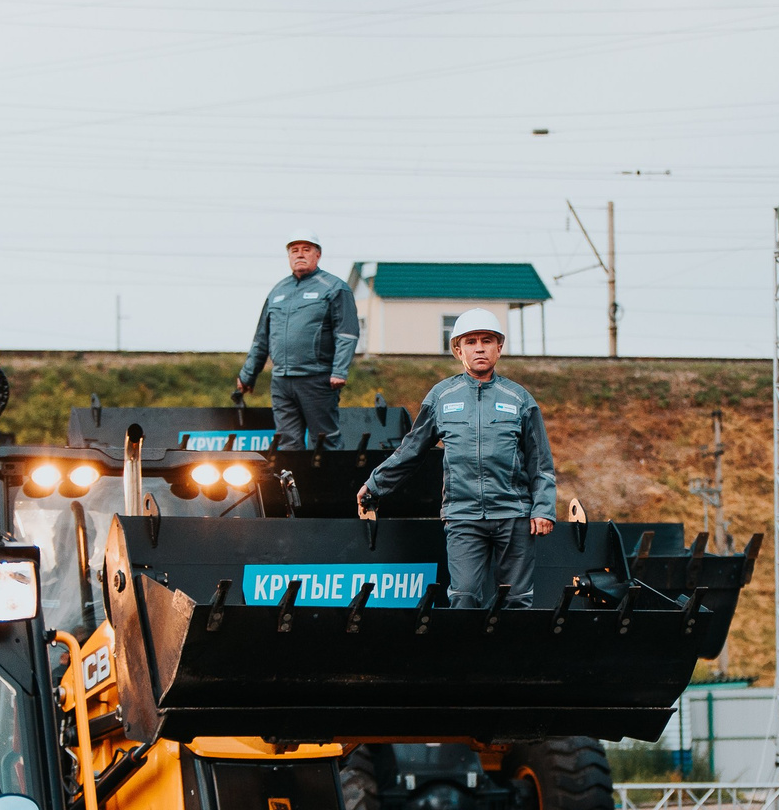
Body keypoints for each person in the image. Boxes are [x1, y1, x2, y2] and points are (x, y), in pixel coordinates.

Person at [356, 308, 557, 608]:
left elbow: (540, 461)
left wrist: (543, 507)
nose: (479, 347)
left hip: (513, 515)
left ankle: (509, 656)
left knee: (515, 601)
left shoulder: (519, 399)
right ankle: (467, 656)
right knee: (463, 599)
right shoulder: (441, 397)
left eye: (487, 341)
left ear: (499, 348)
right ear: (458, 350)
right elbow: (411, 450)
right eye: (471, 341)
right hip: (463, 517)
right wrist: (375, 484)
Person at [237, 237, 360, 450]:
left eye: (306, 249)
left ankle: (329, 484)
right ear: (289, 256)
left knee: (324, 440)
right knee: (287, 442)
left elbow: (347, 333)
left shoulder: (334, 287)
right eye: (294, 250)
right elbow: (261, 338)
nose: (300, 254)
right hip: (282, 382)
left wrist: (339, 370)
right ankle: (293, 484)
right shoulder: (278, 291)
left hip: (317, 379)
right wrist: (248, 375)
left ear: (318, 254)